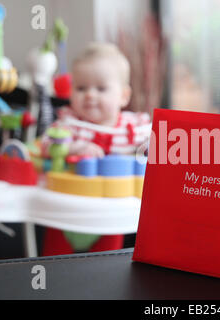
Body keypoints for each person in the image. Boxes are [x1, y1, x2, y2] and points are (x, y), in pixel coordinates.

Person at [41, 43, 150, 256]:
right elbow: (45, 145)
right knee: (54, 263)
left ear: (123, 96)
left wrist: (148, 149)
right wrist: (73, 148)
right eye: (81, 88)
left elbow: (155, 147)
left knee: (105, 266)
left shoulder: (133, 127)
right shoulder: (68, 124)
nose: (90, 95)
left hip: (111, 213)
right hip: (67, 211)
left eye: (101, 88)